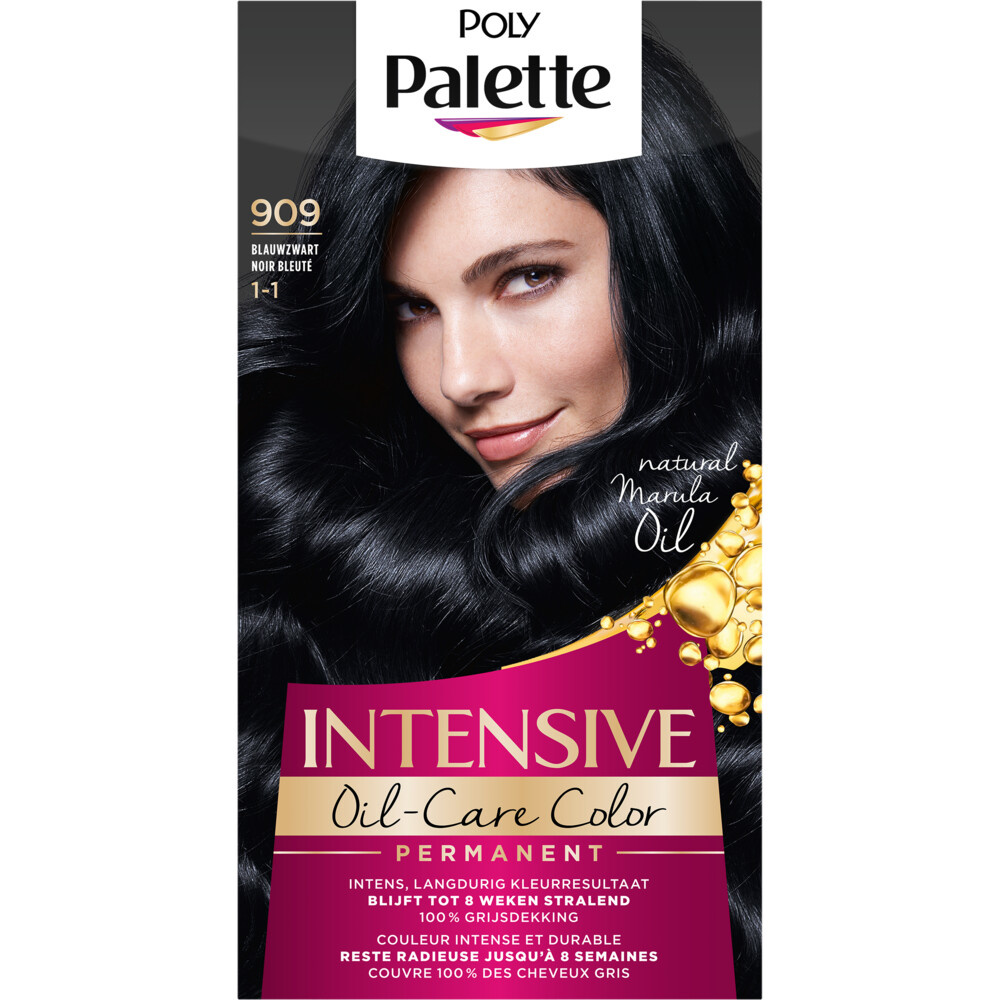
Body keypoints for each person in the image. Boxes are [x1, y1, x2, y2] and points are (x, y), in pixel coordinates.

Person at [239, 32, 761, 998]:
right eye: (412, 308)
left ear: (671, 254)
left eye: (525, 278)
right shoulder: (339, 591)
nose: (461, 378)